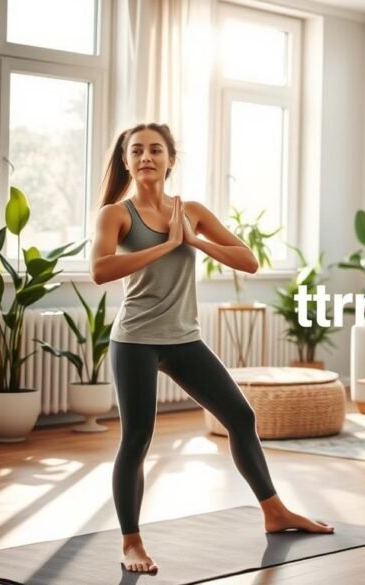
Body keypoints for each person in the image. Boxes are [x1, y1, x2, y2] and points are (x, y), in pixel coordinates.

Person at [92, 123, 333, 574]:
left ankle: (275, 512)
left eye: (156, 150)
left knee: (241, 417)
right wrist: (165, 246)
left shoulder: (192, 211)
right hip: (135, 340)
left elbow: (249, 259)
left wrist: (192, 239)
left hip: (184, 338)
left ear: (170, 160)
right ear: (126, 161)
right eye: (137, 151)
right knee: (137, 438)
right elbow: (101, 270)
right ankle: (131, 542)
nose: (146, 157)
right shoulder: (115, 214)